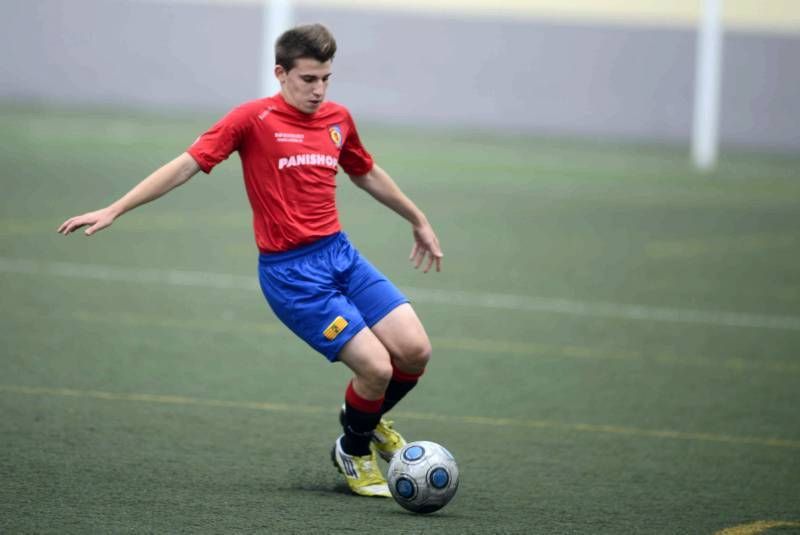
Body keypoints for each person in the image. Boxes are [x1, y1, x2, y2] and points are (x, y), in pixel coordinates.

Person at [57, 23, 442, 498]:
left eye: (326, 78)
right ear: (280, 74)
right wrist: (115, 207)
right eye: (308, 79)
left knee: (415, 352)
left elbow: (365, 172)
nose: (318, 90)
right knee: (377, 369)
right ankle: (355, 450)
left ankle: (367, 419)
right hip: (292, 275)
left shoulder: (338, 118)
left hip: (341, 255)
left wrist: (417, 218)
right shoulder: (250, 120)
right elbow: (185, 165)